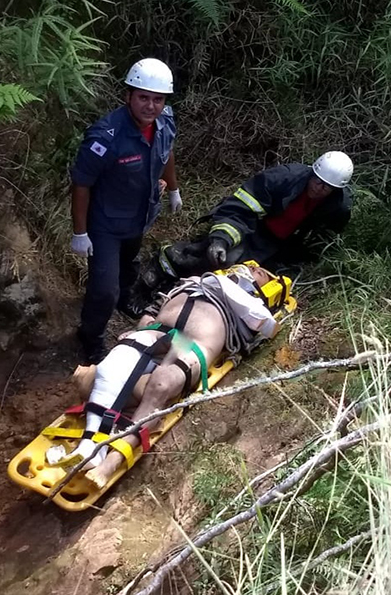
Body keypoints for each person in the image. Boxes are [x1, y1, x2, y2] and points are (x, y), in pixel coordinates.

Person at [47, 263, 291, 488]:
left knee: (161, 384)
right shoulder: (200, 280)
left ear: (268, 288)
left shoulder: (255, 310)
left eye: (263, 273)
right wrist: (140, 325)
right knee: (114, 361)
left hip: (192, 344)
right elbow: (156, 305)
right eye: (254, 267)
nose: (255, 269)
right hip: (158, 330)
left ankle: (109, 464)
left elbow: (259, 335)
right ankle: (90, 445)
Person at [127, 151, 353, 314]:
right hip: (252, 227)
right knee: (216, 257)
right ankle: (157, 272)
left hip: (279, 246)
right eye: (317, 180)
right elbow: (240, 208)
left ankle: (179, 295)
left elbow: (322, 239)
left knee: (246, 286)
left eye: (326, 187)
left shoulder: (337, 207)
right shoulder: (283, 178)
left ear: (336, 189)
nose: (318, 188)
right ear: (312, 172)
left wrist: (298, 259)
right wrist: (221, 240)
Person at [69, 58, 182, 365]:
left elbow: (166, 151)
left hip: (139, 215)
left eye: (158, 99)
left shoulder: (164, 123)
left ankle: (124, 300)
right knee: (103, 289)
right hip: (105, 224)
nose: (151, 106)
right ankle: (90, 337)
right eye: (143, 97)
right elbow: (81, 183)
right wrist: (80, 232)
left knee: (129, 267)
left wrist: (172, 188)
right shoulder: (106, 137)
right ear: (128, 96)